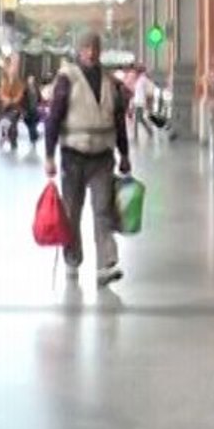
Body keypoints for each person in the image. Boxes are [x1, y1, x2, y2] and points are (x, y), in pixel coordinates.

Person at [44, 33, 131, 288]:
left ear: (100, 50)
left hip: (103, 157)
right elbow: (53, 119)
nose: (90, 53)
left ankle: (105, 264)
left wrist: (124, 154)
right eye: (85, 48)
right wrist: (49, 156)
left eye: (94, 48)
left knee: (103, 209)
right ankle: (73, 258)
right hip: (73, 156)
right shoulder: (67, 79)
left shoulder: (110, 83)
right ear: (78, 51)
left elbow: (119, 122)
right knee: (72, 211)